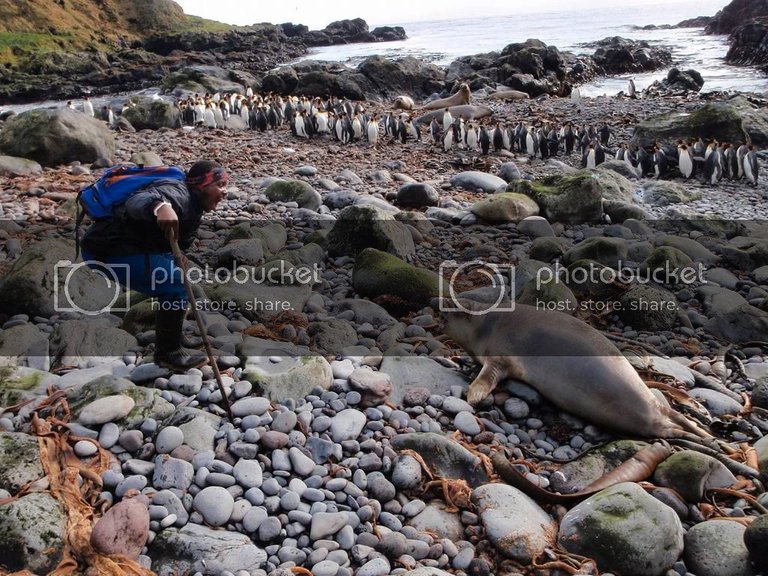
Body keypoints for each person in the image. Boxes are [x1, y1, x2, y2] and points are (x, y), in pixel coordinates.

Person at [80, 160, 229, 370]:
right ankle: (168, 353)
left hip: (133, 246)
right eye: (220, 185)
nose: (225, 192)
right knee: (175, 285)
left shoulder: (195, 207)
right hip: (107, 250)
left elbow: (180, 241)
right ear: (202, 185)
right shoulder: (178, 194)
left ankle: (174, 337)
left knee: (182, 278)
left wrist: (180, 257)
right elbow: (137, 201)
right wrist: (161, 206)